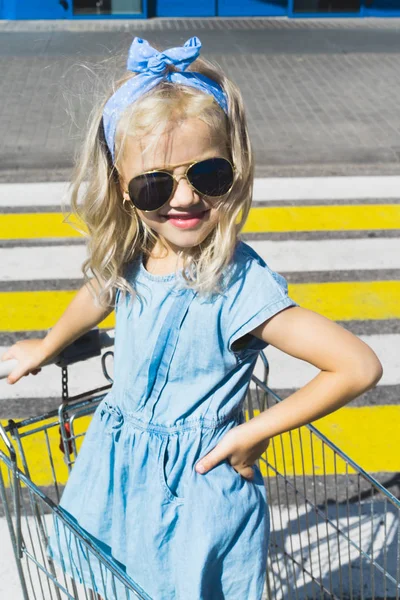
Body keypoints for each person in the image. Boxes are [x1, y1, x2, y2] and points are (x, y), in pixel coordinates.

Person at [1, 36, 383, 600]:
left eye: (206, 175)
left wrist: (254, 433)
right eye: (154, 183)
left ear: (235, 171)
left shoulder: (238, 285)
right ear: (125, 194)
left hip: (195, 496)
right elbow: (100, 291)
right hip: (118, 471)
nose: (182, 198)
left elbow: (356, 366)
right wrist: (46, 344)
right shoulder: (136, 252)